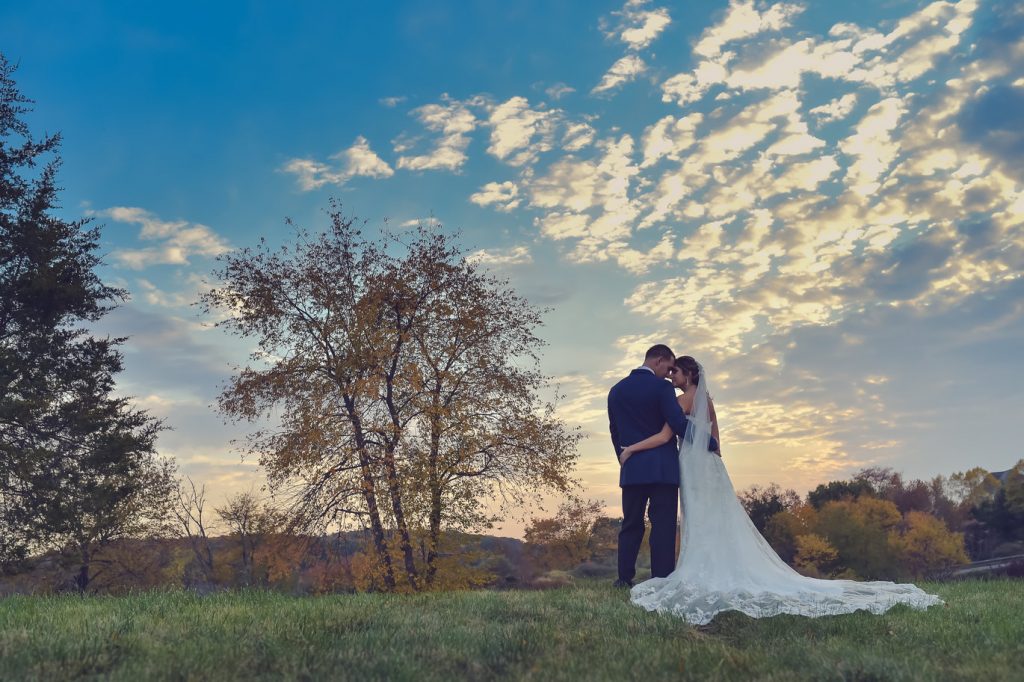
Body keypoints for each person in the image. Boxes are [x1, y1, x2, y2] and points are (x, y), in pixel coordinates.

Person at [623, 356, 944, 625]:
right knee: (715, 516)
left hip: (693, 467)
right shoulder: (706, 400)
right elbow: (717, 442)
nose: (673, 377)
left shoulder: (682, 401)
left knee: (700, 517)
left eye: (676, 372)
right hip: (709, 466)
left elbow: (667, 434)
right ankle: (714, 563)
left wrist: (631, 448)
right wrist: (712, 459)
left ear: (688, 373)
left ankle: (705, 567)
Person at [606, 345, 719, 587]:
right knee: (663, 527)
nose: (668, 374)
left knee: (631, 524)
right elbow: (677, 422)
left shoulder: (616, 390)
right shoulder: (662, 388)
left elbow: (614, 431)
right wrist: (708, 441)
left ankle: (624, 578)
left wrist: (623, 456)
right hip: (662, 469)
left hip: (632, 467)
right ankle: (660, 579)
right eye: (668, 367)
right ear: (658, 361)